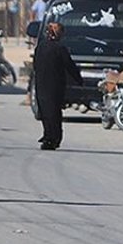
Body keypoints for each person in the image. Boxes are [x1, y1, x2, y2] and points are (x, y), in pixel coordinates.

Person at [32, 21, 82, 150]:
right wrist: (79, 79)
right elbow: (69, 66)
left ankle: (48, 135)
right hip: (55, 85)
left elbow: (35, 65)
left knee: (45, 111)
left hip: (41, 83)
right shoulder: (60, 48)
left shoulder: (40, 47)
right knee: (53, 112)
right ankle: (53, 138)